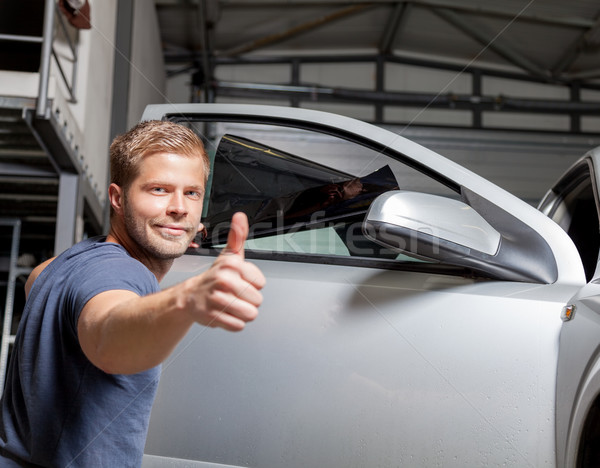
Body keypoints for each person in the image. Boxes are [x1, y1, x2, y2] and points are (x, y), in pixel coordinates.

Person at [0, 120, 266, 467]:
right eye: (158, 190)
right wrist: (186, 299)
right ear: (117, 198)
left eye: (192, 193)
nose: (179, 208)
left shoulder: (56, 267)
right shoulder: (124, 273)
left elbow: (35, 279)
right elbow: (108, 333)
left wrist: (171, 233)